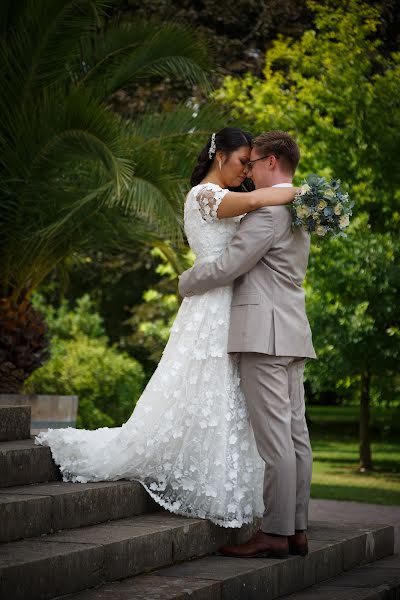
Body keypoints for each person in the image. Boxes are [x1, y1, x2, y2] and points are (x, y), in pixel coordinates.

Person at [36, 127, 297, 529]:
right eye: (243, 162)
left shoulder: (235, 200)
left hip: (239, 306)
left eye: (252, 163)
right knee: (206, 387)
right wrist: (307, 195)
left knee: (231, 399)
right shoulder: (206, 196)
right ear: (219, 155)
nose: (247, 171)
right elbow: (263, 198)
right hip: (212, 303)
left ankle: (229, 481)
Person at [179, 130, 316, 558]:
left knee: (277, 441)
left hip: (264, 334)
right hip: (292, 331)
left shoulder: (267, 213)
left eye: (253, 162)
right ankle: (296, 529)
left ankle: (274, 535)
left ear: (272, 162)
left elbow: (231, 264)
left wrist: (186, 281)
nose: (248, 171)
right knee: (296, 438)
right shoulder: (300, 210)